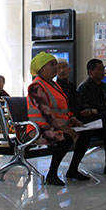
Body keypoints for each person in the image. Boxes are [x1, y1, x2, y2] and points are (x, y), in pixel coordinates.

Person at [27, 52, 92, 185]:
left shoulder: (54, 85)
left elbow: (64, 109)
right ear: (42, 69)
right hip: (39, 129)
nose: (55, 67)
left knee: (85, 133)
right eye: (52, 64)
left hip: (56, 126)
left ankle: (73, 170)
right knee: (65, 137)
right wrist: (66, 128)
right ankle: (52, 174)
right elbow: (47, 114)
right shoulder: (36, 87)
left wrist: (74, 120)